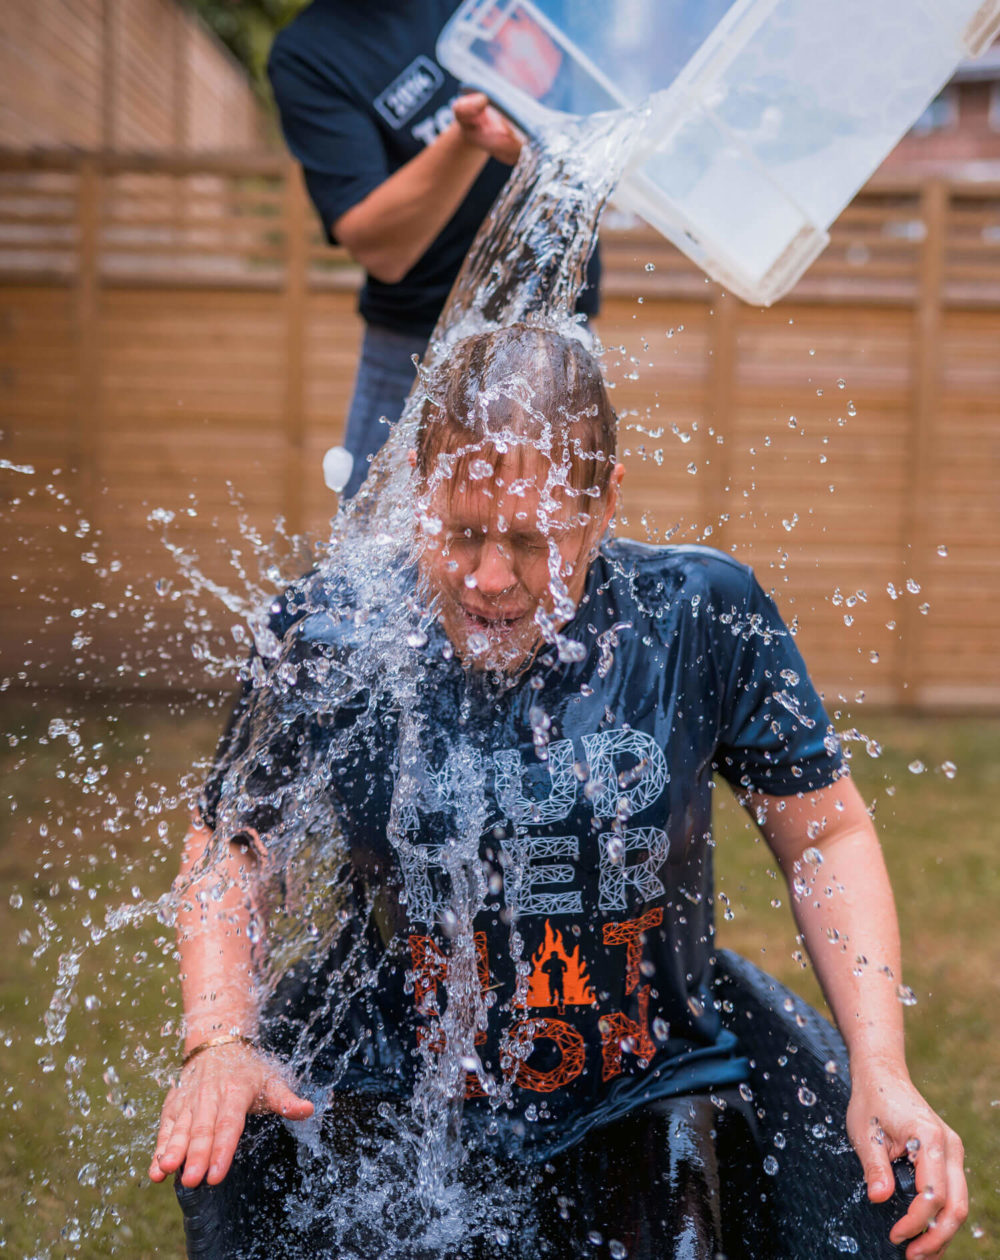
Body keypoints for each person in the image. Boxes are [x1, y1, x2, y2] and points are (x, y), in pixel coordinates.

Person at [151, 325, 966, 1260]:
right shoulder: (335, 631)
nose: (491, 579)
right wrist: (218, 1037)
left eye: (531, 542)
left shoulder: (698, 615)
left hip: (648, 1076)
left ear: (604, 503)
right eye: (461, 534)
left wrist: (882, 1065)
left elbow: (824, 836)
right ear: (420, 488)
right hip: (389, 1081)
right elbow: (233, 839)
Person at [221, 0, 600, 499]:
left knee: (556, 591)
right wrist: (465, 136)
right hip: (416, 359)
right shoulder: (310, 54)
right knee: (372, 606)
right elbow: (378, 244)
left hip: (560, 336)